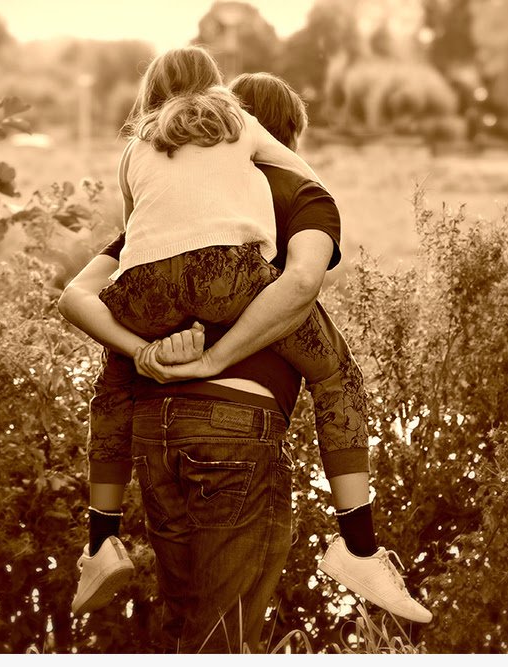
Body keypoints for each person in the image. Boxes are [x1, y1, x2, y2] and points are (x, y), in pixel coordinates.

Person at [58, 66, 431, 649]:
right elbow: (301, 281)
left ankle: (100, 540)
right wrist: (218, 357)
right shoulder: (299, 194)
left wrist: (144, 350)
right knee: (223, 641)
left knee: (186, 629)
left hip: (155, 432)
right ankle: (358, 544)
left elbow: (83, 294)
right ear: (282, 134)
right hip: (236, 432)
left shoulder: (160, 211)